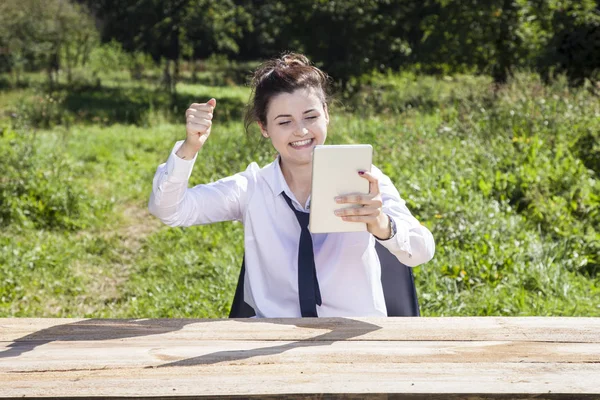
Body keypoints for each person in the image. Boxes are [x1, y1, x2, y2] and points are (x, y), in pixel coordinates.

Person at [148, 53, 435, 318]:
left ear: (326, 113)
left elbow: (421, 251)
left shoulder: (363, 177)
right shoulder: (252, 188)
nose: (301, 131)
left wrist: (383, 225)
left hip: (350, 337)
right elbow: (171, 211)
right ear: (264, 127)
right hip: (270, 338)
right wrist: (189, 147)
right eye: (284, 122)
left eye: (310, 117)